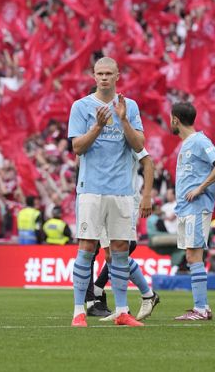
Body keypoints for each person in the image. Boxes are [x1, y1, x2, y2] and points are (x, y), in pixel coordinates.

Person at [67, 57, 148, 328]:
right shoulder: (81, 107)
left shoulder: (130, 106)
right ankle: (79, 310)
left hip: (122, 190)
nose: (103, 78)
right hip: (91, 188)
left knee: (120, 249)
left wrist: (123, 120)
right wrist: (98, 126)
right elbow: (77, 148)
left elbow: (139, 146)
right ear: (93, 76)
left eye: (108, 73)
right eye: (99, 73)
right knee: (87, 247)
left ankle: (123, 311)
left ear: (117, 76)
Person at [169, 102, 215, 321]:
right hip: (186, 208)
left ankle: (201, 308)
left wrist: (200, 188)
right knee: (190, 255)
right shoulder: (187, 143)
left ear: (175, 119)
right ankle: (202, 307)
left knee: (194, 255)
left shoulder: (199, 140)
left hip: (197, 207)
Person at [91, 149, 159, 322]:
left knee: (114, 253)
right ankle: (125, 306)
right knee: (111, 255)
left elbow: (148, 162)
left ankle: (144, 296)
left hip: (123, 199)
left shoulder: (129, 136)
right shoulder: (101, 136)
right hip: (101, 197)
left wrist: (147, 195)